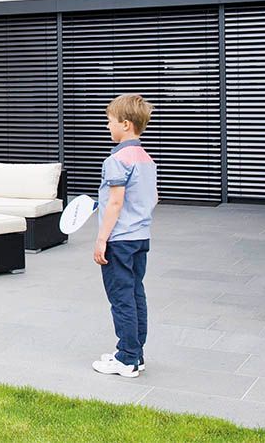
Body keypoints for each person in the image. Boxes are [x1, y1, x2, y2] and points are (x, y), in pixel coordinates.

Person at [91, 94, 157, 378]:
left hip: (119, 241)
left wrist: (101, 239)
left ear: (126, 124)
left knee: (121, 299)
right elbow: (152, 198)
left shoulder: (116, 159)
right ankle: (136, 354)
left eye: (110, 121)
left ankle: (127, 358)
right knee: (135, 293)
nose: (108, 126)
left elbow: (116, 202)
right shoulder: (147, 159)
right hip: (140, 239)